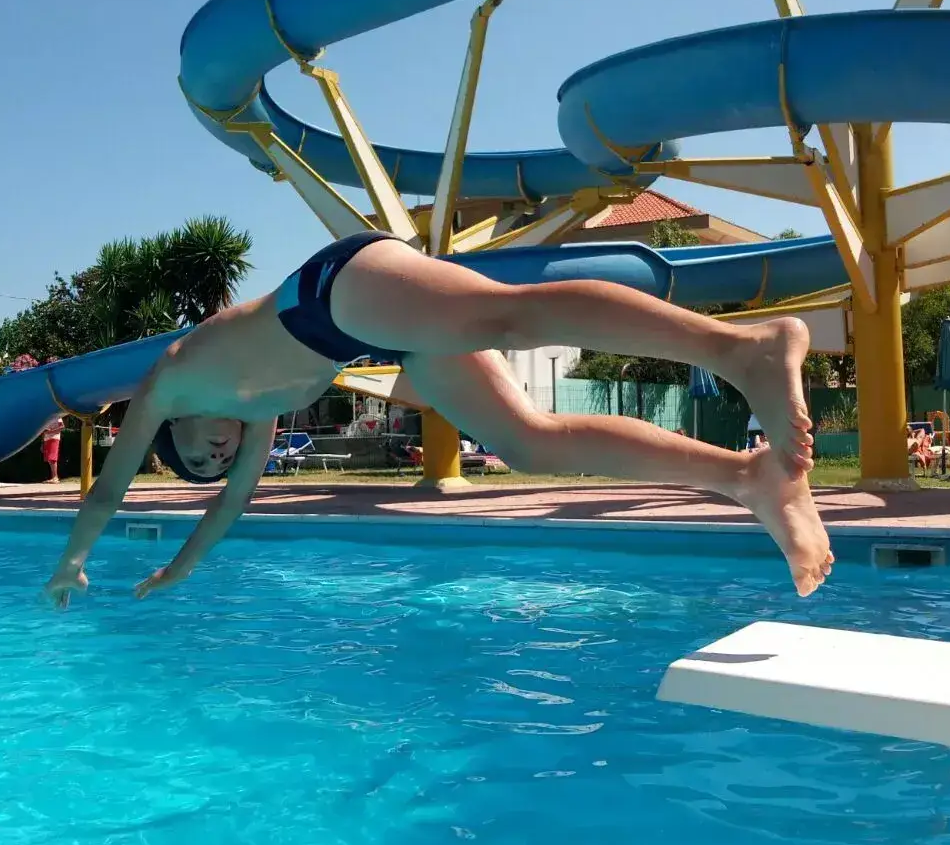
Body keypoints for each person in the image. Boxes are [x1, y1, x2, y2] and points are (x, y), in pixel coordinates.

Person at [42, 232, 833, 605]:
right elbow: (228, 508)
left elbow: (109, 490)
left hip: (332, 290)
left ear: (171, 436)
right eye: (215, 464)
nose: (219, 456)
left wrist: (73, 559)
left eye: (201, 456)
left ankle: (742, 350)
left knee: (506, 317)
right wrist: (181, 567)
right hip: (369, 332)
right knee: (529, 441)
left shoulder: (170, 383)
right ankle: (748, 477)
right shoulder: (259, 420)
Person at [40, 418, 64, 483]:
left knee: (52, 458)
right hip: (47, 439)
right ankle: (54, 477)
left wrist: (50, 431)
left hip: (54, 438)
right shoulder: (46, 418)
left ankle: (55, 477)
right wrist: (42, 443)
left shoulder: (57, 417)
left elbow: (62, 427)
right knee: (49, 459)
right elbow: (44, 431)